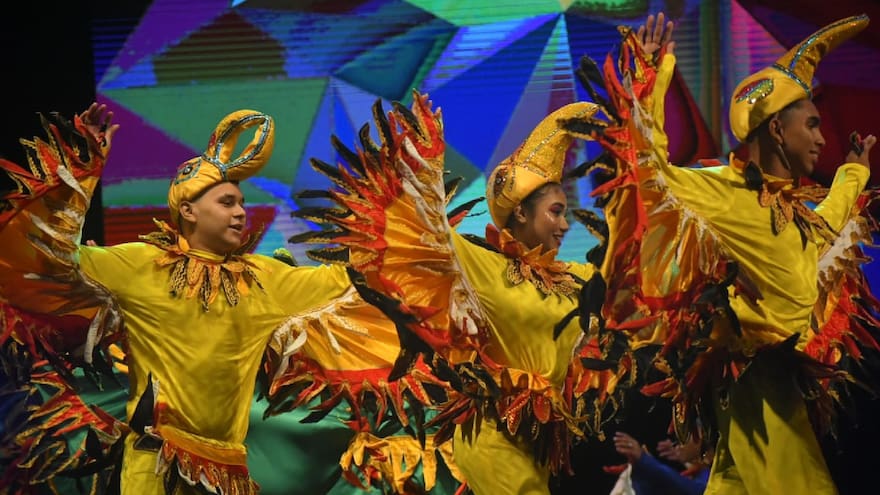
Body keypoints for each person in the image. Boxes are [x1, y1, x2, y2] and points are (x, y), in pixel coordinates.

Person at [0, 104, 465, 494]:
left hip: (229, 473)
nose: (241, 212)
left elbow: (357, 278)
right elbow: (50, 253)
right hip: (155, 463)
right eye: (226, 202)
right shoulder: (139, 265)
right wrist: (78, 171)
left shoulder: (264, 279)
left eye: (241, 202)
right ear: (187, 210)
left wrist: (411, 203)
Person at [572, 13, 878, 495]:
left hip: (785, 402)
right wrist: (653, 75)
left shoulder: (793, 209)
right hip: (758, 391)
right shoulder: (719, 189)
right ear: (777, 128)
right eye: (812, 124)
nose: (822, 138)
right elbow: (648, 170)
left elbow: (823, 230)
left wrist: (853, 175)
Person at [607, 431, 710, 495]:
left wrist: (644, 462)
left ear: (702, 434)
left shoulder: (718, 473)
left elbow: (699, 491)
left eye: (685, 434)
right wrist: (638, 472)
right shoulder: (699, 473)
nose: (677, 444)